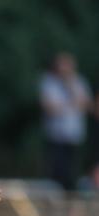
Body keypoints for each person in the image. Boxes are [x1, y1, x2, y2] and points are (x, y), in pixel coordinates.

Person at [40, 52, 92, 191]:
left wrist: (70, 85)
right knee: (56, 171)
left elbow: (85, 104)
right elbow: (49, 107)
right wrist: (71, 104)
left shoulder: (79, 81)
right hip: (56, 135)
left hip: (74, 136)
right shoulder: (49, 81)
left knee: (72, 172)